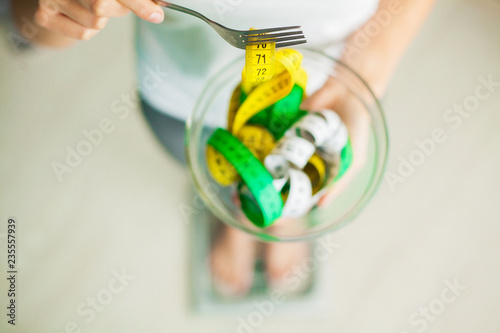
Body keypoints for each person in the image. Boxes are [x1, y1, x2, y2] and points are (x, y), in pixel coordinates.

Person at [6, 0, 435, 297]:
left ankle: (280, 216)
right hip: (182, 95)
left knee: (282, 190)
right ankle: (243, 214)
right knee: (215, 175)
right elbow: (24, 24)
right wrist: (62, 10)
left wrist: (368, 72)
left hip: (331, 90)